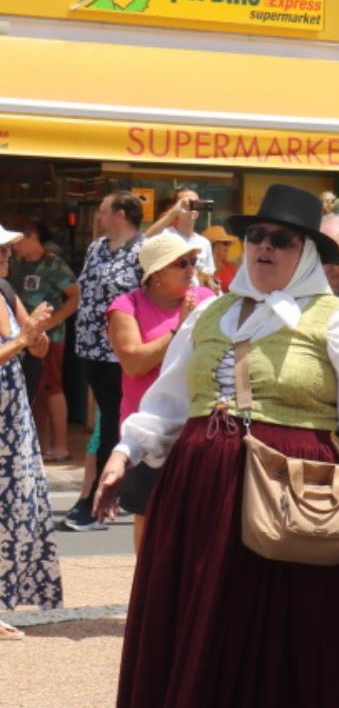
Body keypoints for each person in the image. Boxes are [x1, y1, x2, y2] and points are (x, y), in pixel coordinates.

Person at [93, 184, 339, 708]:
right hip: (200, 494)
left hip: (290, 489)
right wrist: (124, 453)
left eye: (281, 240)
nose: (264, 248)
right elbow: (169, 401)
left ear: (307, 252)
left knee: (275, 628)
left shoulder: (337, 319)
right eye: (257, 237)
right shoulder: (209, 316)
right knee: (207, 621)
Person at [105, 234, 216, 553]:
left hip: (196, 425)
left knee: (196, 514)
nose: (191, 269)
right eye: (181, 263)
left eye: (193, 261)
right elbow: (133, 362)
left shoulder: (207, 298)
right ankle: (147, 588)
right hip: (146, 427)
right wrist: (178, 329)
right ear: (155, 274)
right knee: (149, 512)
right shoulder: (127, 305)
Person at [69, 192, 145, 531]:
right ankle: (118, 493)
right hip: (91, 347)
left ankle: (98, 500)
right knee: (109, 419)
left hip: (123, 349)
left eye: (103, 210)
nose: (99, 216)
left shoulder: (143, 251)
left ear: (123, 214)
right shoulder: (96, 247)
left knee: (113, 421)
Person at [0, 225, 61, 639]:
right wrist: (24, 338)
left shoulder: (5, 289)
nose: (8, 254)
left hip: (11, 415)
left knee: (19, 507)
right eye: (2, 249)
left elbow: (34, 344)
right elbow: (16, 342)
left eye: (7, 249)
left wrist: (36, 336)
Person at [11, 222, 77, 465]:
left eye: (17, 239)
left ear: (31, 236)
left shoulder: (54, 264)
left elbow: (74, 296)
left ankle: (60, 446)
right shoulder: (15, 264)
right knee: (36, 390)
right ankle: (39, 442)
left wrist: (52, 323)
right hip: (22, 336)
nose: (13, 246)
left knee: (51, 388)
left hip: (50, 338)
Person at [143, 187, 218, 287]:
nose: (192, 208)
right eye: (187, 204)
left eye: (196, 203)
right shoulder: (165, 235)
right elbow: (144, 240)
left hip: (196, 298)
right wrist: (173, 213)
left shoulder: (204, 242)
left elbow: (208, 276)